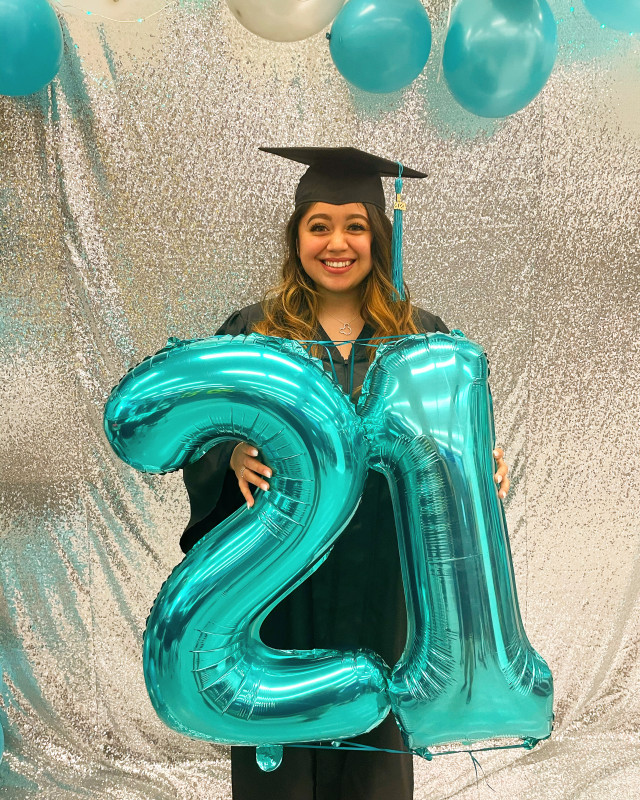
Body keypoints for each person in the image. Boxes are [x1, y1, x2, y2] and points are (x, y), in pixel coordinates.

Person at [179, 147, 510, 800]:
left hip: (380, 578)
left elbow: (447, 444)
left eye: (355, 224)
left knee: (374, 734)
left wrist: (477, 468)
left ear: (379, 236)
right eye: (319, 224)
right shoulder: (254, 334)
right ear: (297, 236)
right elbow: (202, 435)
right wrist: (230, 456)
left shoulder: (422, 339)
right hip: (278, 587)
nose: (337, 242)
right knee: (280, 736)